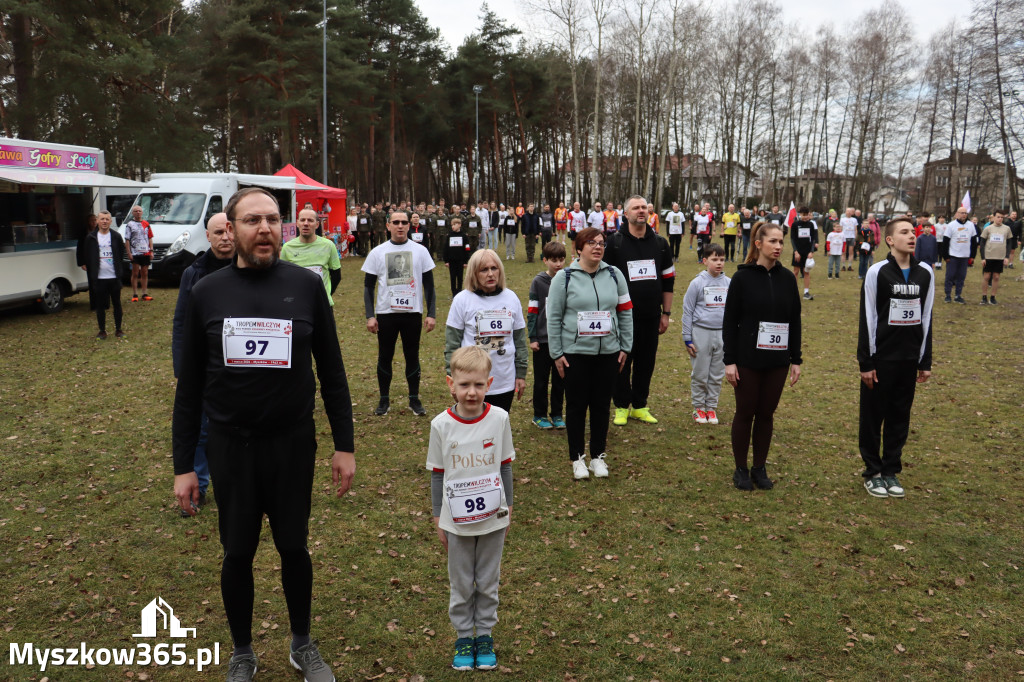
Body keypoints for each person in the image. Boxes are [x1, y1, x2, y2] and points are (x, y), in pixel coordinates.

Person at [172, 187, 355, 682]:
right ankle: (242, 651)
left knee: (294, 547)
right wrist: (184, 465)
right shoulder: (207, 291)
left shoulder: (306, 286)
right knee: (237, 553)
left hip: (293, 444)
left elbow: (333, 372)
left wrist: (345, 445)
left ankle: (301, 643)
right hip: (231, 446)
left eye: (274, 219)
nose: (266, 228)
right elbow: (189, 387)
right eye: (253, 220)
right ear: (231, 229)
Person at [429, 345, 514, 672]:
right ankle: (465, 635)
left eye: (478, 385)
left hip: (494, 517)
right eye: (464, 385)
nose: (471, 392)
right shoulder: (441, 425)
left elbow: (505, 466)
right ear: (451, 384)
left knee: (488, 579)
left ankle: (485, 636)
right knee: (462, 580)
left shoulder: (500, 419)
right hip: (457, 520)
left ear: (489, 383)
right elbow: (437, 473)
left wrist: (509, 507)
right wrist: (439, 516)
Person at [546, 228, 633, 480]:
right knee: (575, 406)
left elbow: (625, 312)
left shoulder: (615, 275)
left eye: (601, 243)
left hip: (608, 352)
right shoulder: (564, 277)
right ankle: (577, 458)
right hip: (575, 353)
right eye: (591, 243)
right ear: (579, 248)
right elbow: (553, 317)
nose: (597, 247)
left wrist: (625, 346)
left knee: (601, 405)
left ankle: (597, 456)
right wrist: (557, 353)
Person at [723, 222, 802, 491]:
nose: (779, 247)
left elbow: (795, 320)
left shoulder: (788, 278)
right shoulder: (742, 278)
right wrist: (729, 361)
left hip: (777, 361)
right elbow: (729, 321)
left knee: (767, 413)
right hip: (747, 359)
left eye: (781, 242)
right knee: (746, 412)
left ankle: (759, 467)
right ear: (758, 244)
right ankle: (741, 469)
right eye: (773, 242)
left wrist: (796, 359)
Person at [858, 218, 934, 498]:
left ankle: (890, 470)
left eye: (912, 232)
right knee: (872, 417)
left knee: (899, 418)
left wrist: (924, 360)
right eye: (904, 233)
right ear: (890, 240)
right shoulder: (877, 272)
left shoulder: (925, 272)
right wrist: (866, 362)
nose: (911, 236)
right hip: (881, 360)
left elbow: (926, 317)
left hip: (908, 359)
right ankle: (873, 472)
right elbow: (867, 318)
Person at [171, 212, 234, 517]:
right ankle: (199, 489)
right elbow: (181, 322)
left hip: (240, 367)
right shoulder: (193, 274)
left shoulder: (251, 268)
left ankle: (236, 487)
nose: (225, 237)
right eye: (218, 232)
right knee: (200, 429)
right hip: (204, 365)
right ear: (207, 237)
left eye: (228, 231)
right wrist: (182, 369)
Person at [603, 195, 674, 426]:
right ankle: (622, 406)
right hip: (622, 316)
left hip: (651, 315)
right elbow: (604, 279)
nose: (641, 211)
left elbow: (669, 280)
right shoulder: (614, 243)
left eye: (644, 207)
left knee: (646, 362)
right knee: (621, 361)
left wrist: (666, 313)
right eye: (636, 208)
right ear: (626, 213)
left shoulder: (661, 243)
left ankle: (640, 405)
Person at [362, 210, 438, 416]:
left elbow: (430, 286)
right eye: (395, 222)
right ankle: (383, 400)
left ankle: (414, 399)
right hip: (386, 313)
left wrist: (431, 314)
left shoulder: (420, 251)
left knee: (412, 356)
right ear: (388, 226)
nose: (400, 226)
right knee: (384, 356)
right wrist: (370, 315)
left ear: (409, 225)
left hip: (412, 313)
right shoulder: (377, 252)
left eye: (404, 222)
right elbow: (368, 287)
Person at [444, 249, 527, 413]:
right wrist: (454, 378)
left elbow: (520, 341)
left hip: (504, 380)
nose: (490, 274)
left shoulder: (511, 298)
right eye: (484, 270)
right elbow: (452, 344)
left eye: (494, 268)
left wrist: (521, 374)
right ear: (474, 273)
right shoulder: (462, 300)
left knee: (497, 430)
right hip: (472, 382)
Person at [682, 243, 730, 425]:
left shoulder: (729, 283)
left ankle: (711, 407)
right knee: (701, 373)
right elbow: (687, 311)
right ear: (704, 261)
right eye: (714, 259)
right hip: (700, 333)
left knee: (717, 374)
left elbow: (733, 313)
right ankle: (699, 408)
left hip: (722, 334)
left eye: (722, 260)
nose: (719, 263)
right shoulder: (697, 283)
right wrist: (687, 338)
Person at [527, 242, 567, 430]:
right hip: (542, 341)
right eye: (553, 260)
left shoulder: (568, 279)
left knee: (561, 380)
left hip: (563, 341)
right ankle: (539, 415)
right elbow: (533, 310)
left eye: (561, 260)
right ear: (545, 260)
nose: (558, 264)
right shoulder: (539, 282)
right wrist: (533, 337)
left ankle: (557, 414)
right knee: (541, 381)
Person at [281, 207, 342, 306]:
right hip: (298, 305)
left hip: (323, 304)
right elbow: (283, 277)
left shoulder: (328, 245)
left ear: (317, 224)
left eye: (310, 220)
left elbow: (336, 276)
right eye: (302, 220)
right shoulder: (287, 248)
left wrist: (326, 294)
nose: (306, 223)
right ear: (297, 223)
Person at [81, 211, 127, 339]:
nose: (104, 221)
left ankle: (118, 329)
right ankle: (102, 330)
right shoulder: (91, 237)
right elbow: (87, 255)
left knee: (117, 303)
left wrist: (118, 270)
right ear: (97, 221)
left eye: (107, 219)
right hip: (99, 278)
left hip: (114, 277)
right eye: (102, 219)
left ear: (110, 221)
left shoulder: (116, 236)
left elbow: (121, 254)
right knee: (100, 305)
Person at [939, 206, 978, 304]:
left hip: (964, 256)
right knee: (950, 276)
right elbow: (946, 242)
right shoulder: (951, 225)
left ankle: (958, 295)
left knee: (961, 277)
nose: (964, 215)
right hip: (953, 256)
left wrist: (972, 256)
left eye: (965, 213)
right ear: (957, 214)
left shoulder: (971, 225)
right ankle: (948, 295)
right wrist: (946, 256)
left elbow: (974, 242)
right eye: (961, 213)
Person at [979, 209, 1012, 305]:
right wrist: (983, 258)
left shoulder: (1006, 229)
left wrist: (1006, 257)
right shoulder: (988, 228)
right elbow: (982, 243)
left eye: (1002, 217)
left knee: (996, 277)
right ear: (993, 217)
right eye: (998, 217)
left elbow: (1009, 243)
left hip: (1000, 257)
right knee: (986, 276)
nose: (1000, 219)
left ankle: (993, 297)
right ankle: (984, 297)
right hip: (989, 256)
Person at [123, 205, 154, 302]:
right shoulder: (130, 225)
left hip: (145, 252)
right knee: (135, 273)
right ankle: (135, 294)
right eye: (135, 211)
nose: (138, 212)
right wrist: (129, 253)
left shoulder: (146, 224)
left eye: (139, 211)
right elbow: (127, 240)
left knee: (144, 272)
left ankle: (144, 293)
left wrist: (151, 251)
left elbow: (150, 238)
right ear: (132, 213)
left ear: (142, 212)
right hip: (135, 253)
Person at [790, 207, 819, 300]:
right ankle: (794, 292)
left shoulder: (811, 224)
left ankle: (806, 292)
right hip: (798, 252)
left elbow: (813, 239)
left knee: (806, 272)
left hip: (807, 252)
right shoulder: (795, 224)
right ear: (800, 214)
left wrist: (811, 251)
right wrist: (795, 252)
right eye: (803, 215)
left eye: (807, 214)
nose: (805, 216)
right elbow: (792, 239)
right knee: (796, 272)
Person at [443, 217, 471, 297]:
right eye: (452, 225)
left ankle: (459, 292)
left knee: (460, 277)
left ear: (459, 225)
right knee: (452, 277)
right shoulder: (449, 236)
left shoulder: (464, 236)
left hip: (461, 261)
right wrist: (446, 261)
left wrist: (466, 261)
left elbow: (467, 249)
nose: (452, 226)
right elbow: (446, 248)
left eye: (454, 225)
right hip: (451, 261)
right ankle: (453, 293)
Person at [857, 213, 880, 279]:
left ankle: (865, 274)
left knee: (866, 262)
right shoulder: (860, 232)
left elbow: (872, 242)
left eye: (867, 223)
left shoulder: (871, 232)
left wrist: (872, 250)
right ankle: (860, 274)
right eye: (865, 223)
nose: (866, 224)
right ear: (862, 224)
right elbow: (857, 241)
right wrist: (857, 250)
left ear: (869, 224)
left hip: (868, 249)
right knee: (861, 262)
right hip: (861, 249)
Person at [839, 208, 859, 272]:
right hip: (844, 238)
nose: (849, 212)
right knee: (843, 252)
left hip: (852, 237)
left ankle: (850, 266)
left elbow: (855, 229)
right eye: (847, 211)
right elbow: (840, 229)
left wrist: (855, 238)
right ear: (845, 212)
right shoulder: (842, 219)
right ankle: (843, 266)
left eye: (850, 211)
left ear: (852, 213)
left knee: (851, 252)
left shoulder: (854, 219)